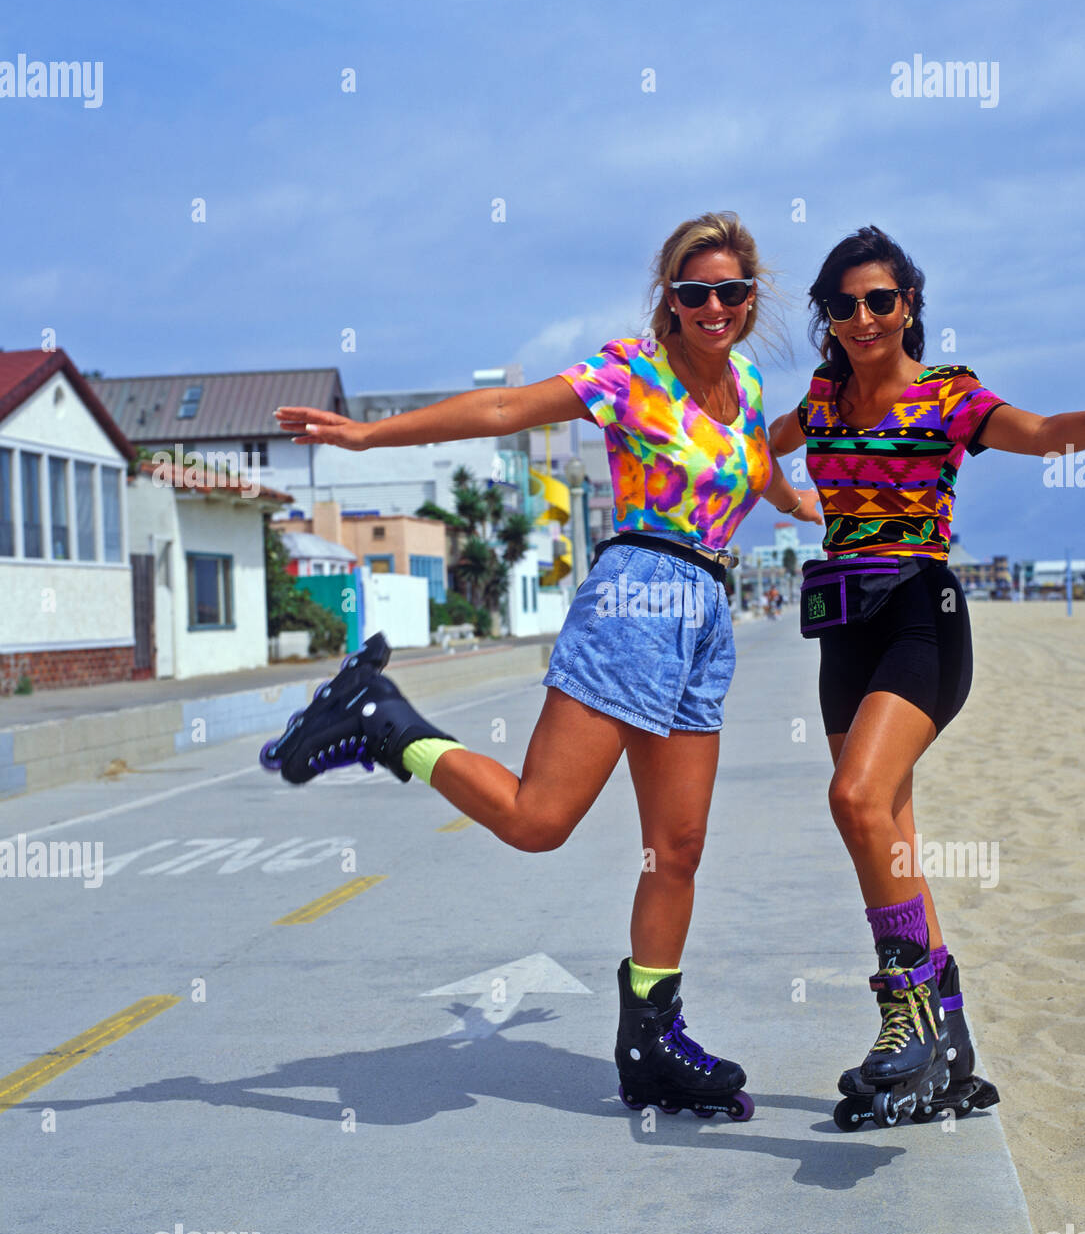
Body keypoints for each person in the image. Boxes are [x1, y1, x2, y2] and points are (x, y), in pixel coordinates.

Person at [264, 211, 822, 1121]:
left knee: (677, 848)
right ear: (670, 303)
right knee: (538, 819)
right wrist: (369, 438)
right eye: (694, 292)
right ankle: (382, 722)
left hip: (705, 618)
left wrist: (802, 503)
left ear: (751, 299)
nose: (713, 307)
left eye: (729, 291)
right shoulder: (631, 372)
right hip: (636, 595)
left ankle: (650, 1043)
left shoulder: (750, 386)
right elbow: (499, 410)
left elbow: (752, 465)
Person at [766, 225, 1085, 1128]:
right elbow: (753, 449)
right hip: (841, 624)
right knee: (886, 828)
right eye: (845, 304)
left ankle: (908, 1017)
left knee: (855, 800)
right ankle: (949, 1049)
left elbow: (1043, 435)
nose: (863, 316)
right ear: (829, 317)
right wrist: (775, 491)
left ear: (909, 306)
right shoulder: (820, 399)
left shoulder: (950, 397)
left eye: (880, 299)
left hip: (921, 615)